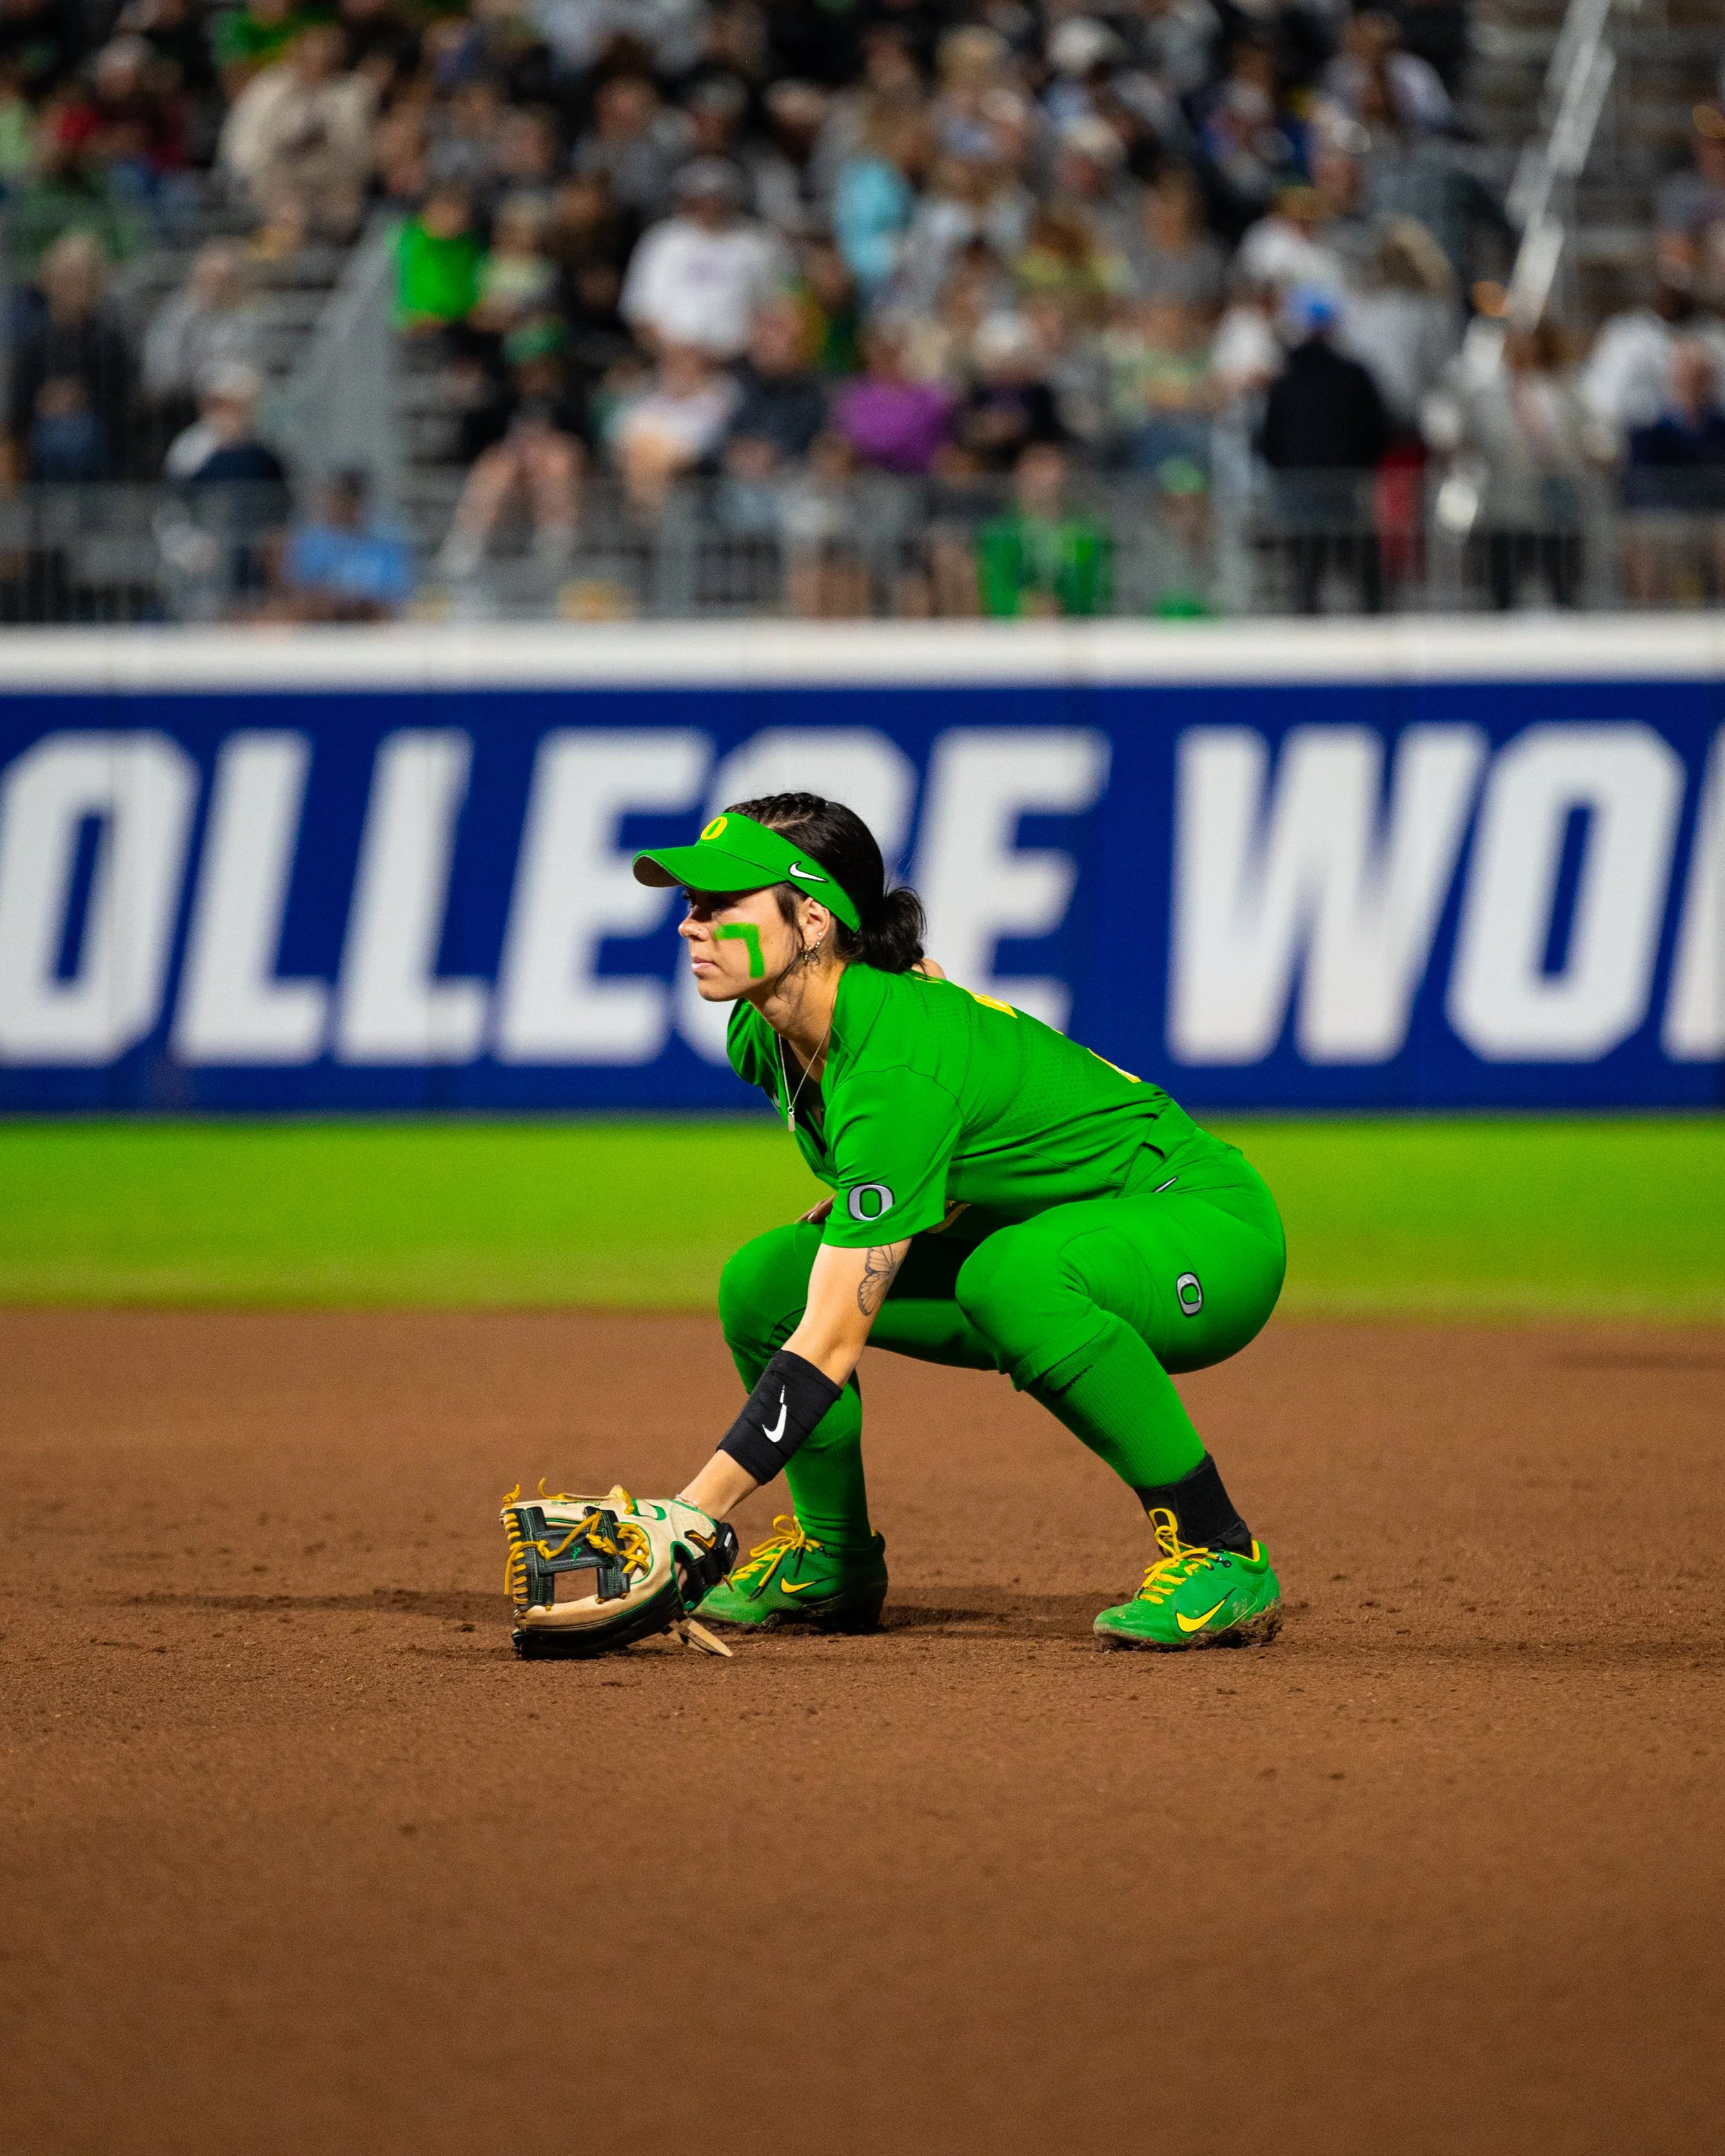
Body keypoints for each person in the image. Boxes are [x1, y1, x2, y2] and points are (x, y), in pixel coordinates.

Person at [552, 794, 1288, 1653]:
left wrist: (692, 1514)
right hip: (1073, 1227)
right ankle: (832, 1560)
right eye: (690, 902)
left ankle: (1220, 1551)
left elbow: (831, 1340)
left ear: (814, 917)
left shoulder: (897, 1061)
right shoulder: (763, 1035)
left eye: (723, 902)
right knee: (764, 1284)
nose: (692, 924)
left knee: (1006, 1275)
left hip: (1202, 1223)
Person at [1260, 284, 1392, 613]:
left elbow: (1268, 440)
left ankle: (1306, 635)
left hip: (1302, 492)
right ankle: (1372, 626)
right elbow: (1378, 433)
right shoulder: (1354, 376)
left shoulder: (1286, 380)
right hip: (1346, 490)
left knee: (1306, 575)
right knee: (1361, 573)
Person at [620, 157, 787, 359]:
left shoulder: (758, 243)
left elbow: (778, 308)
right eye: (701, 198)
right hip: (670, 364)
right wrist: (679, 360)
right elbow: (640, 316)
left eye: (717, 197)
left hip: (741, 363)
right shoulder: (662, 241)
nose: (710, 205)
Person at [3, 227, 135, 482]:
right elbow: (18, 399)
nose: (72, 287)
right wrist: (43, 400)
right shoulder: (35, 340)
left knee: (77, 439)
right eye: (65, 278)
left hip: (99, 432)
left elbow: (123, 394)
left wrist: (82, 398)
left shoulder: (109, 338)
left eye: (80, 278)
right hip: (41, 434)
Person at [974, 440, 1111, 616]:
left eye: (1049, 466)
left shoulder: (1084, 533)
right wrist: (1027, 606)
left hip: (1074, 631)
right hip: (1012, 634)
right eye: (1035, 467)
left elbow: (1094, 590)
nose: (1042, 479)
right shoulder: (1001, 533)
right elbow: (994, 590)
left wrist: (1061, 605)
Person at [277, 468, 413, 618]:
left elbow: (394, 594)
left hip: (369, 624)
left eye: (348, 502)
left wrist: (355, 602)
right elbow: (297, 588)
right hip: (319, 623)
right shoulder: (313, 542)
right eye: (336, 500)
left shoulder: (384, 546)